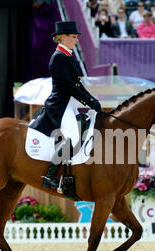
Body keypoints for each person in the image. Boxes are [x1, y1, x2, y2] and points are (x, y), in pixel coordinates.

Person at [30, 21, 103, 189]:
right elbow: (69, 86)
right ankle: (49, 176)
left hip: (70, 105)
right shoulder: (58, 58)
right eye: (74, 37)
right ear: (63, 37)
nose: (77, 40)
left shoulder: (67, 55)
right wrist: (90, 101)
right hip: (60, 106)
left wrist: (92, 100)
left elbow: (77, 85)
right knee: (73, 137)